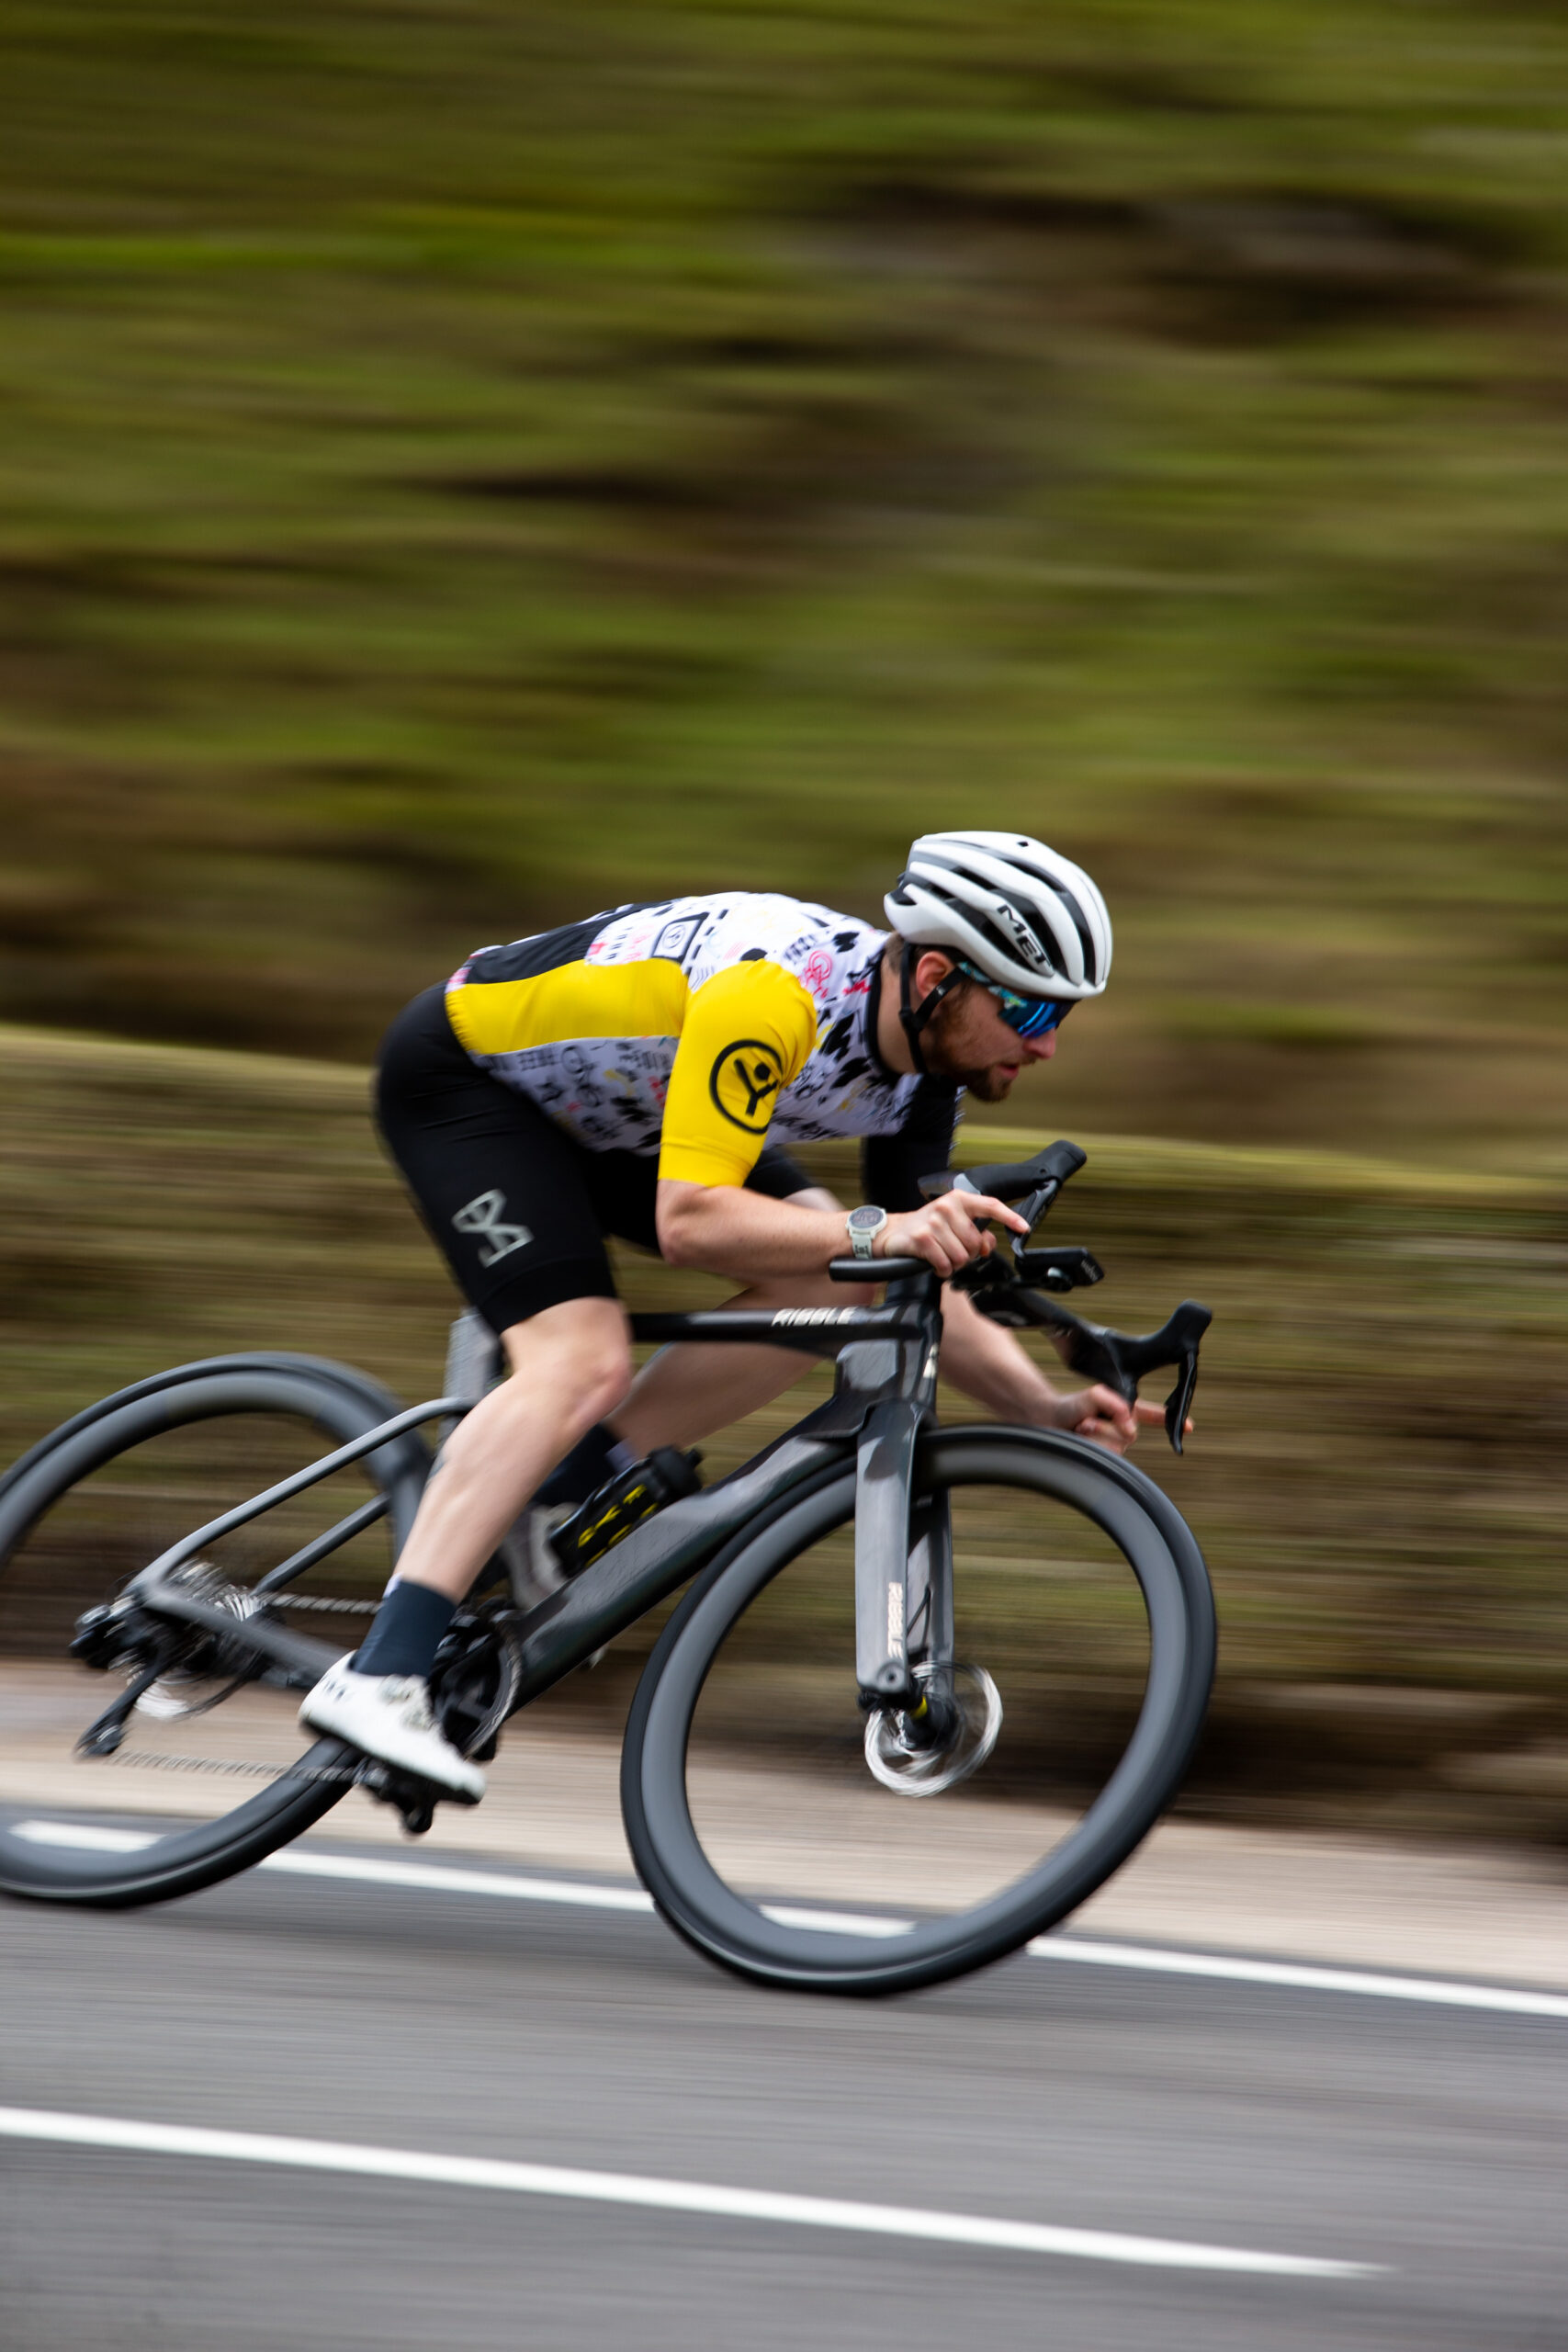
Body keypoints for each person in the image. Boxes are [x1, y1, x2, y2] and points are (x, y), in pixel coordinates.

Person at [300, 830, 1165, 1797]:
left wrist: (1041, 1405)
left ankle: (562, 1492)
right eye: (1031, 1007)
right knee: (578, 1360)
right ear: (935, 975)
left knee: (846, 1271)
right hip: (476, 1091)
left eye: (1064, 1017)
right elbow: (691, 1220)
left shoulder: (925, 1068)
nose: (1045, 1043)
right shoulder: (775, 996)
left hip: (630, 1115)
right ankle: (379, 1672)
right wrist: (887, 1232)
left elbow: (908, 1269)